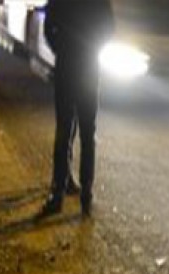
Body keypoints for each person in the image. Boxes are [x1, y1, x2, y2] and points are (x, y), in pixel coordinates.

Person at [41, 0, 114, 216]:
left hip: (66, 66)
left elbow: (49, 26)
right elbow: (108, 28)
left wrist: (60, 48)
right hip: (88, 68)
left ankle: (58, 193)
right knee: (87, 132)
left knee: (64, 130)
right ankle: (86, 194)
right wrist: (92, 47)